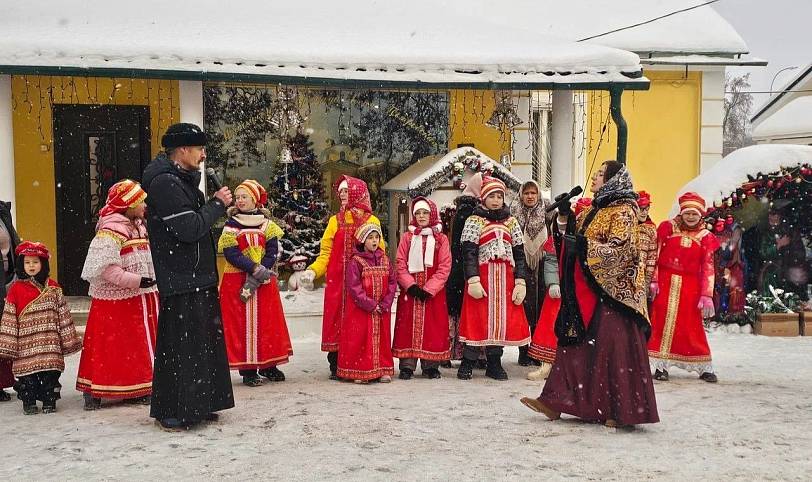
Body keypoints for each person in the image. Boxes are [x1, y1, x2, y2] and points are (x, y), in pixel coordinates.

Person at [521, 161, 659, 428]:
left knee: (610, 351)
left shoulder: (624, 211)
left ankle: (618, 410)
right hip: (588, 291)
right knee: (574, 345)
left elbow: (621, 251)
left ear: (612, 180)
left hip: (615, 296)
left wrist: (584, 246)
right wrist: (564, 219)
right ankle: (555, 401)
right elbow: (572, 241)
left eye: (599, 175)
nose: (593, 178)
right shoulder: (594, 210)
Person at [142, 123, 234, 431]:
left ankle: (203, 402)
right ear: (183, 150)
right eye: (199, 148)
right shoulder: (165, 184)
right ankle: (175, 409)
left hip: (198, 275)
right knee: (182, 347)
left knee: (203, 343)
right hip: (181, 277)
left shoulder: (181, 180)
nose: (204, 154)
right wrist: (217, 204)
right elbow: (190, 228)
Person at [77, 180, 159, 410]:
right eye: (140, 201)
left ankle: (136, 385)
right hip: (117, 303)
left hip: (140, 299)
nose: (144, 205)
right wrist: (136, 281)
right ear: (128, 203)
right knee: (111, 346)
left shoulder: (139, 226)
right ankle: (97, 387)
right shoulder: (110, 231)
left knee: (136, 346)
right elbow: (106, 268)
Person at [299, 175, 382, 380]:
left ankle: (359, 362)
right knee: (336, 319)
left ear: (357, 192)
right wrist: (313, 270)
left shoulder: (372, 221)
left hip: (363, 284)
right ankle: (336, 363)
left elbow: (379, 254)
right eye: (341, 192)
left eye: (347, 191)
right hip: (338, 283)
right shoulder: (334, 221)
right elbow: (325, 252)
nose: (342, 195)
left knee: (359, 321)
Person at [218, 180, 292, 387]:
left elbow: (272, 251)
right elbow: (230, 253)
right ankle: (248, 369)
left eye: (244, 197)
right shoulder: (231, 225)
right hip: (237, 280)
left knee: (267, 323)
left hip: (264, 281)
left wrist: (262, 271)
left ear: (255, 200)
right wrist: (253, 268)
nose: (240, 200)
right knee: (240, 326)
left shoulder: (267, 225)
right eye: (238, 196)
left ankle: (269, 364)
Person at [457, 176, 531, 381]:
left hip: (504, 281)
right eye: (492, 196)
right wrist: (472, 279)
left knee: (500, 322)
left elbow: (519, 254)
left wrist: (520, 281)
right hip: (482, 279)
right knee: (478, 319)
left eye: (500, 196)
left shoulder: (511, 221)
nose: (497, 200)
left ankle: (494, 362)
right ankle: (468, 361)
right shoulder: (474, 221)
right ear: (483, 198)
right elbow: (468, 252)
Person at [0, 241, 82, 414]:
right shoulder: (15, 290)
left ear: (43, 264)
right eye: (27, 262)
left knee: (50, 375)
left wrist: (68, 341)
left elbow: (64, 317)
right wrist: (8, 345)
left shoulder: (53, 288)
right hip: (25, 347)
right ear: (21, 264)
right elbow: (9, 320)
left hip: (49, 344)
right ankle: (29, 402)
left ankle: (49, 400)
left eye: (35, 262)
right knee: (27, 379)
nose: (31, 266)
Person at [648, 192, 720, 383]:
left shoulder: (705, 236)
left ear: (701, 215)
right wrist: (653, 280)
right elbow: (655, 255)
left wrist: (706, 294)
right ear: (681, 213)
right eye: (687, 213)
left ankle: (703, 365)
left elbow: (708, 266)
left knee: (691, 325)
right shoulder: (667, 228)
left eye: (694, 214)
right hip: (665, 283)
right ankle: (661, 366)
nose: (690, 217)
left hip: (691, 287)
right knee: (662, 323)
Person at [527, 197, 592, 382]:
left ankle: (574, 367)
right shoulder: (564, 237)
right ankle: (546, 364)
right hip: (560, 289)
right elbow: (552, 259)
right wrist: (553, 282)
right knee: (550, 326)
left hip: (581, 291)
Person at [393, 197, 452, 380]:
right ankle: (407, 365)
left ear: (432, 214)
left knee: (432, 327)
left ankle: (430, 365)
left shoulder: (440, 239)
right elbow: (400, 263)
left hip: (432, 294)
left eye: (425, 212)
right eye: (418, 213)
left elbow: (444, 266)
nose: (421, 216)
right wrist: (409, 285)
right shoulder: (408, 237)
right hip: (410, 293)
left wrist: (429, 288)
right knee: (407, 326)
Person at [338, 223, 397, 384]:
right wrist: (370, 304)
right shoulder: (356, 262)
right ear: (363, 240)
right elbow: (354, 287)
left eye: (376, 237)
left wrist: (385, 303)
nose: (374, 241)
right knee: (361, 339)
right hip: (361, 310)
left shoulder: (385, 260)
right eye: (370, 238)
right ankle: (361, 370)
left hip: (381, 310)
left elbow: (392, 282)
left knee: (382, 339)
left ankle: (383, 368)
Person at [446, 173, 486, 368]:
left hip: (460, 266)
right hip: (465, 267)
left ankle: (462, 351)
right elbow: (467, 244)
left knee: (460, 308)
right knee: (465, 309)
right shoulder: (470, 211)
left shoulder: (465, 209)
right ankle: (468, 352)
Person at [511, 180, 550, 366]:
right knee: (523, 308)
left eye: (533, 193)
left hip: (542, 264)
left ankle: (537, 349)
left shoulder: (548, 211)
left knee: (540, 307)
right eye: (526, 193)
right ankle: (523, 350)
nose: (530, 196)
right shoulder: (513, 212)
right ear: (521, 195)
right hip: (520, 264)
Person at [0, 199, 20, 401]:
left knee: (4, 331)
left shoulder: (2, 212)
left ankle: (2, 382)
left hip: (6, 279)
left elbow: (13, 240)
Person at [636, 191, 658, 297]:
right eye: (641, 208)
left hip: (641, 279)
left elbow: (652, 258)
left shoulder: (651, 228)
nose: (644, 212)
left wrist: (647, 282)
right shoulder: (625, 226)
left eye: (647, 208)